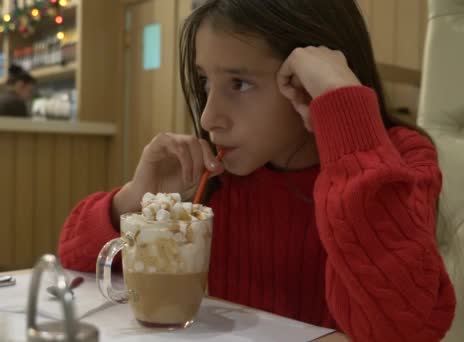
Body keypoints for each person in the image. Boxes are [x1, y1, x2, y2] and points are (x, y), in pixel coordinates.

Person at [57, 0, 456, 340]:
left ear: (307, 80)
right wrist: (139, 197)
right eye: (204, 81)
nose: (210, 116)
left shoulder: (399, 158)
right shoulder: (219, 176)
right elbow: (74, 259)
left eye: (240, 83)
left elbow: (400, 329)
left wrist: (342, 110)